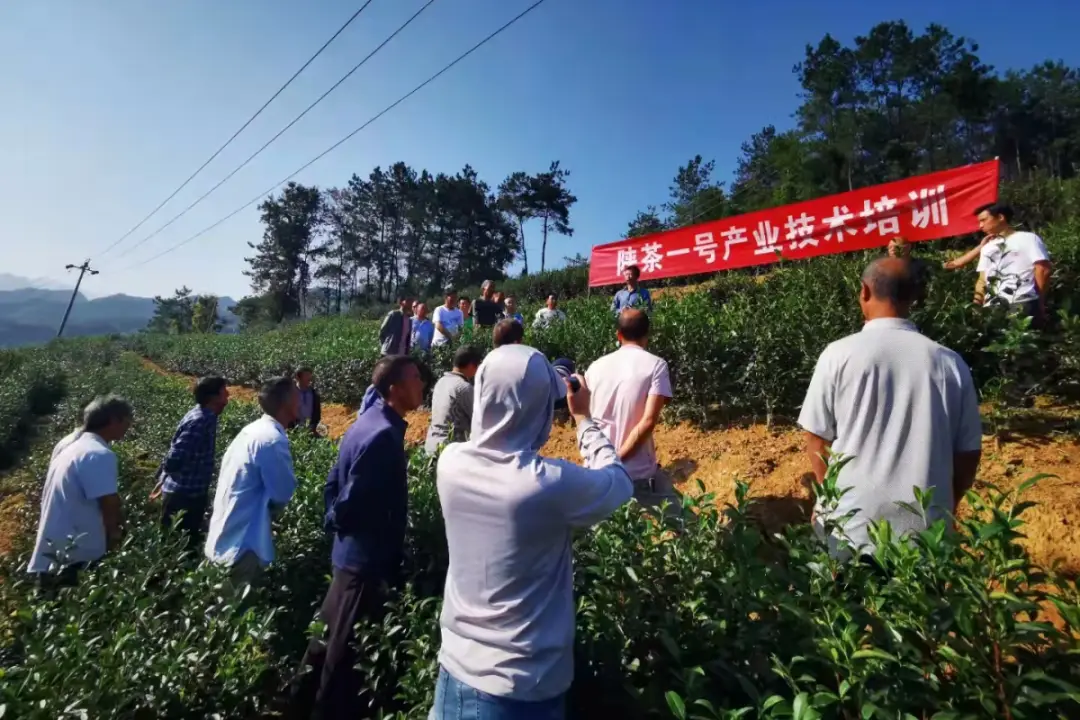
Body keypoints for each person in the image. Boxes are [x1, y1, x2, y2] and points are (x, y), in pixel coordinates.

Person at [430, 345, 633, 719]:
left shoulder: (451, 462)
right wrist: (584, 420)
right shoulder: (546, 484)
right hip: (520, 690)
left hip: (454, 673)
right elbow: (619, 484)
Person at [798, 257, 983, 558]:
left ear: (864, 292)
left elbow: (816, 438)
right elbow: (968, 453)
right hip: (924, 530)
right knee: (917, 604)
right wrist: (946, 506)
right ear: (914, 297)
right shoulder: (949, 362)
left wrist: (827, 497)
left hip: (848, 526)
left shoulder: (838, 355)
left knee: (840, 602)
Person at [290, 356, 426, 718]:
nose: (421, 384)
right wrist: (339, 521)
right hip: (364, 560)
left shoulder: (367, 421)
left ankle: (298, 702)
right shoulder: (383, 434)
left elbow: (333, 481)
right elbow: (354, 496)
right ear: (395, 389)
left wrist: (335, 521)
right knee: (343, 653)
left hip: (348, 553)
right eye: (415, 378)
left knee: (324, 637)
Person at [28, 395, 133, 587]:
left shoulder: (71, 445)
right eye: (127, 420)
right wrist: (115, 535)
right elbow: (107, 502)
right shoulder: (99, 454)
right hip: (75, 553)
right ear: (113, 420)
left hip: (54, 547)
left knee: (49, 608)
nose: (129, 426)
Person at [205, 376, 300, 588]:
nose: (300, 401)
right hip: (242, 548)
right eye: (297, 396)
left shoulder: (252, 431)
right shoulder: (272, 440)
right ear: (286, 404)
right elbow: (283, 494)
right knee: (235, 614)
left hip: (223, 539)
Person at [584, 309, 678, 516]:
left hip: (598, 470)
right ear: (647, 334)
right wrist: (617, 459)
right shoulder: (656, 365)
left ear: (618, 335)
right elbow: (648, 422)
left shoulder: (594, 367)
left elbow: (585, 418)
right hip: (636, 473)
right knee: (683, 526)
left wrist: (606, 461)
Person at [154, 376, 229, 550]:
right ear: (214, 397)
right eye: (224, 391)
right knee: (175, 547)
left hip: (188, 494)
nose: (228, 395)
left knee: (181, 543)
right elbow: (175, 457)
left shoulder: (205, 415)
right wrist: (165, 476)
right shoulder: (200, 421)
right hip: (184, 497)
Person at [972, 203, 1053, 324]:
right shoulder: (987, 247)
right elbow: (982, 279)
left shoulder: (1028, 238)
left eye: (984, 220)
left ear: (1000, 217)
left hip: (1022, 302)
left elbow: (1043, 270)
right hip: (992, 306)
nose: (980, 226)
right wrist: (977, 306)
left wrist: (1038, 302)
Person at [425, 345, 483, 455]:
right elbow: (481, 421)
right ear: (471, 365)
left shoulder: (441, 382)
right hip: (449, 450)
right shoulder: (463, 387)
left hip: (431, 446)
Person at [885, 237, 930, 304]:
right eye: (890, 247)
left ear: (908, 247)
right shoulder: (884, 267)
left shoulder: (919, 266)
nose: (893, 250)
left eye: (896, 247)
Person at [293, 366, 322, 435]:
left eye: (309, 376)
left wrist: (313, 425)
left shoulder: (314, 394)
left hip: (310, 430)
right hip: (294, 431)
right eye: (306, 376)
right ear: (297, 377)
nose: (309, 379)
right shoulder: (290, 393)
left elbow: (317, 412)